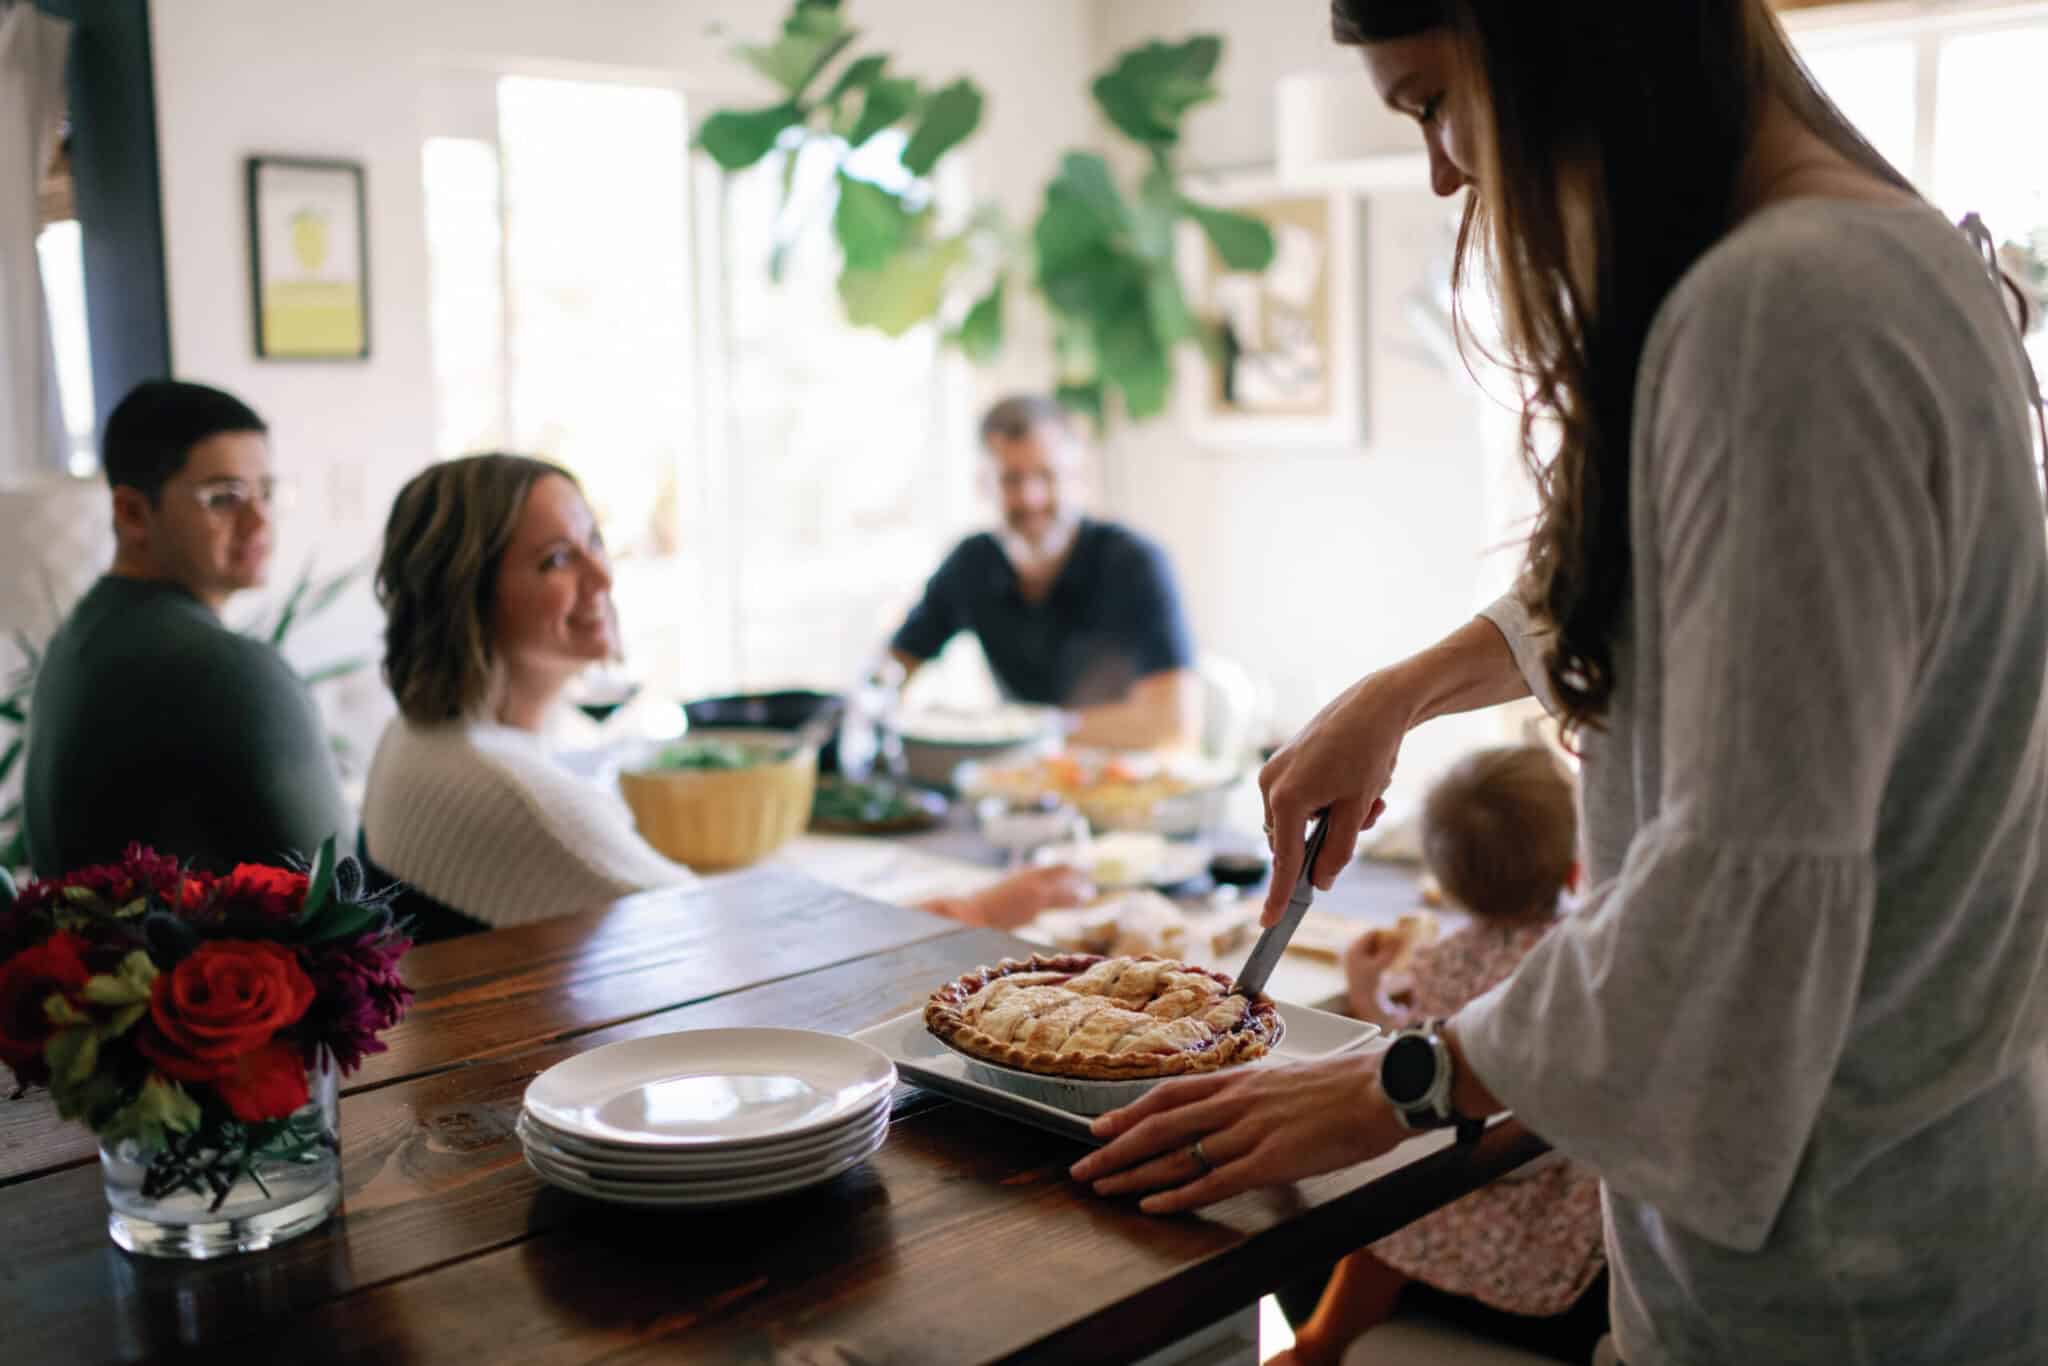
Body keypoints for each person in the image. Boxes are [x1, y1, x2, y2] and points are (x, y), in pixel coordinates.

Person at [1071, 4, 2048, 1364]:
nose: (1444, 171)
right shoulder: (1882, 254)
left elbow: (1732, 890)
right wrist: (1403, 691)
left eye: (1428, 103)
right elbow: (1728, 581)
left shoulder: (1785, 308)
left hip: (1837, 1281)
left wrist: (1403, 1077)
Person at [362, 453, 1092, 935]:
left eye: (594, 541)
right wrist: (979, 909)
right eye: (557, 560)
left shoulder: (424, 736)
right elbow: (733, 955)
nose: (603, 576)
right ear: (468, 596)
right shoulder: (519, 791)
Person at [1276, 747, 1605, 1366]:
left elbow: (1412, 1061)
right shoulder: (1582, 960)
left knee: (1371, 1226)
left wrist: (1368, 993)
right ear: (1574, 870)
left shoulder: (1442, 962)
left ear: (1445, 882)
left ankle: (1319, 1344)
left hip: (1483, 1181)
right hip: (1557, 1209)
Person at [22, 380, 349, 876]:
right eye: (224, 497)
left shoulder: (75, 637)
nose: (259, 522)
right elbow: (347, 891)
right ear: (132, 513)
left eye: (266, 491)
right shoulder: (230, 668)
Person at [888, 395, 1202, 751]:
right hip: (1021, 786)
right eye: (1010, 480)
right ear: (984, 484)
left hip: (1125, 786)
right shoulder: (970, 563)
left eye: (1046, 476)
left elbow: (1173, 728)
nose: (1030, 498)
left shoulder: (1135, 563)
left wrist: (1028, 727)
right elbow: (887, 675)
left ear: (1078, 476)